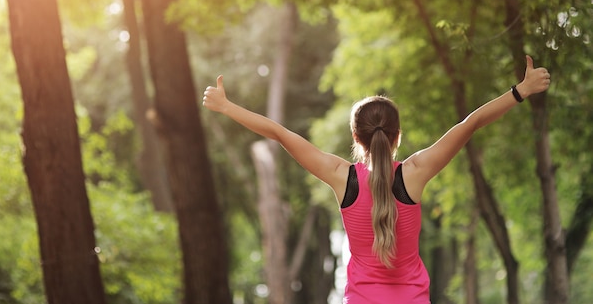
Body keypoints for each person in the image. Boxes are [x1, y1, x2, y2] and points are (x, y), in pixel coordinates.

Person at [202, 55, 551, 303]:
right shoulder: (415, 173)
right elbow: (470, 124)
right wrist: (520, 90)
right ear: (397, 135)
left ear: (356, 138)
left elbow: (278, 133)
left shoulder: (341, 178)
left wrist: (227, 106)